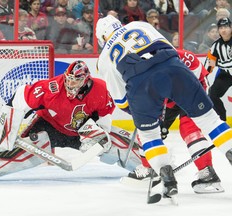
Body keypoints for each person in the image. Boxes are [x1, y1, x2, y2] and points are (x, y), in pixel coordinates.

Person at [96, 15, 232, 200]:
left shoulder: (104, 58)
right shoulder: (138, 24)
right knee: (211, 121)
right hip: (173, 68)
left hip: (143, 85)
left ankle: (165, 176)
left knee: (150, 135)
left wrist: (144, 114)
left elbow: (122, 101)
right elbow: (168, 49)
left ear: (102, 37)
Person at [0, 60, 142, 182]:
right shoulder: (51, 88)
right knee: (20, 152)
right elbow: (20, 97)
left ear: (86, 80)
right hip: (49, 126)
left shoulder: (100, 89)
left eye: (75, 82)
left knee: (113, 143)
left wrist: (99, 135)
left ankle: (149, 164)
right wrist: (7, 131)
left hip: (81, 131)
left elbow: (104, 114)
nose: (70, 85)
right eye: (68, 80)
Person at [128, 49, 224, 194]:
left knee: (190, 131)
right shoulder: (143, 64)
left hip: (191, 94)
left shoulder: (186, 57)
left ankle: (207, 174)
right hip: (165, 101)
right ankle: (149, 168)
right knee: (149, 130)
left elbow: (202, 81)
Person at [205, 17, 232, 121]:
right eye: (221, 28)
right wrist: (203, 76)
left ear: (231, 27)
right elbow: (209, 63)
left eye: (226, 27)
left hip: (226, 70)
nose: (223, 30)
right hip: (226, 75)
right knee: (212, 94)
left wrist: (218, 63)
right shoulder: (216, 46)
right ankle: (222, 120)